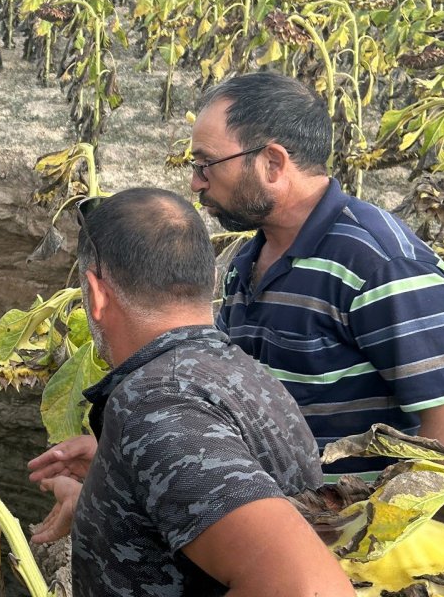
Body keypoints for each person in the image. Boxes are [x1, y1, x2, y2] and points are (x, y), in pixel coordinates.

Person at [27, 188, 353, 597]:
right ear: (211, 278)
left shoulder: (155, 403)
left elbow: (306, 588)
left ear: (96, 294)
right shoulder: (242, 372)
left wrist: (148, 440)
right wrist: (112, 485)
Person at [189, 72, 444, 478]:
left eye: (206, 165)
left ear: (272, 163)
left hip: (349, 528)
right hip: (271, 512)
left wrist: (377, 531)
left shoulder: (381, 267)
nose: (195, 183)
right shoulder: (250, 258)